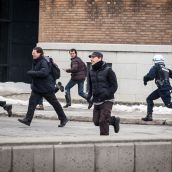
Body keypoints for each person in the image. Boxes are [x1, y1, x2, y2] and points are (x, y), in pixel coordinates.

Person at [18, 47, 68, 127]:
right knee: (32, 103)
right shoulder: (36, 61)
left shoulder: (43, 61)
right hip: (38, 88)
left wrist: (32, 73)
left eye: (34, 53)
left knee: (55, 104)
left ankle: (63, 118)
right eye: (32, 53)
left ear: (39, 53)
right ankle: (28, 120)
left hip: (46, 88)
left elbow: (44, 73)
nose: (32, 54)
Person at [87, 51, 120, 136]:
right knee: (96, 122)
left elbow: (114, 86)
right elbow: (90, 86)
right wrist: (89, 97)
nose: (91, 59)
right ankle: (113, 121)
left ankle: (104, 141)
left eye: (93, 57)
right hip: (97, 99)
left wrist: (106, 94)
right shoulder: (91, 71)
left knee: (103, 121)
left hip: (107, 99)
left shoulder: (108, 70)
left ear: (100, 58)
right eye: (91, 57)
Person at [142, 54, 172, 121]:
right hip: (162, 89)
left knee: (169, 104)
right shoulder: (166, 69)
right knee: (149, 99)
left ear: (155, 61)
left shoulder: (155, 67)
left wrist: (145, 79)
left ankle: (149, 116)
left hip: (164, 90)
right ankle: (149, 116)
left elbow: (150, 76)